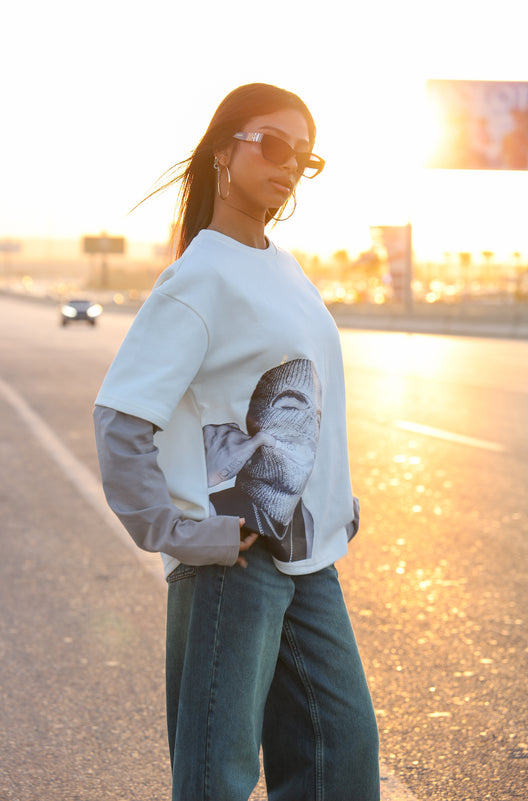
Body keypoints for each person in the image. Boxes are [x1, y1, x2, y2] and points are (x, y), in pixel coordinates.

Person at [94, 82, 380, 801]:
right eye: (274, 144)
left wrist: (332, 499)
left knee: (338, 760)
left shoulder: (280, 266)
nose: (289, 166)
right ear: (226, 151)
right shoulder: (197, 279)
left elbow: (300, 401)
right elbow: (121, 421)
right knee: (216, 777)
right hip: (232, 563)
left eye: (304, 157)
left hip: (307, 559)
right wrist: (181, 532)